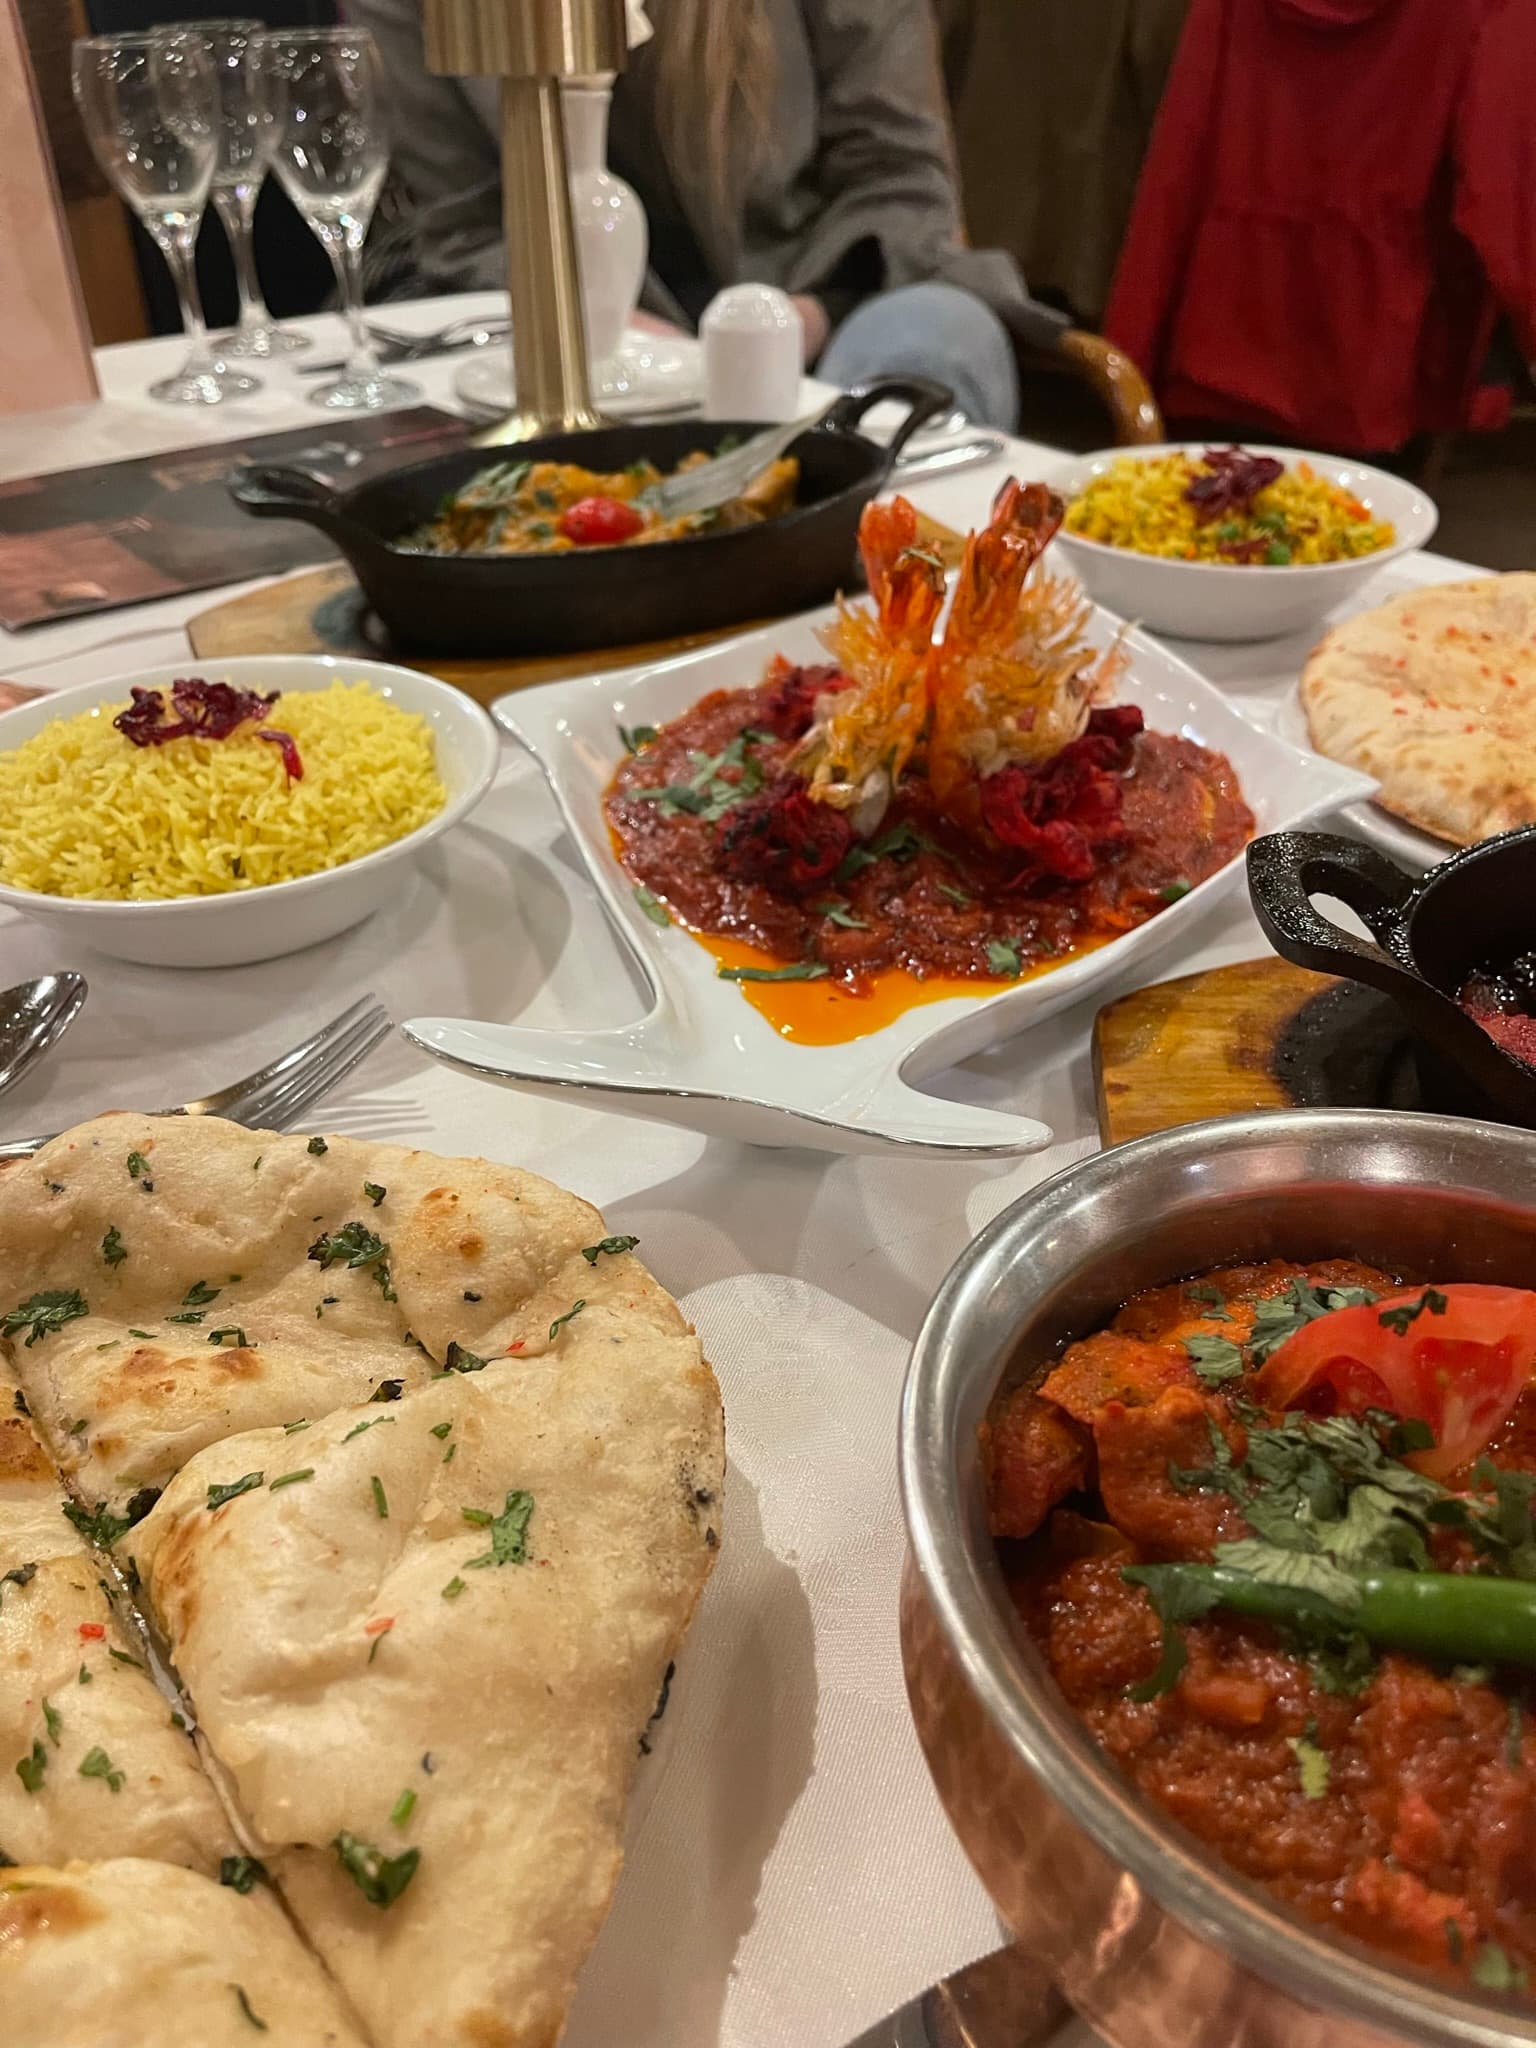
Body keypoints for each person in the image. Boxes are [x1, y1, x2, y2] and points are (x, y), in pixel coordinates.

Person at [350, 0, 1032, 427]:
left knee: (938, 335)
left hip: (817, 306)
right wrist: (607, 332)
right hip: (560, 322)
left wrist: (793, 323)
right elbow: (461, 226)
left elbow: (899, 176)